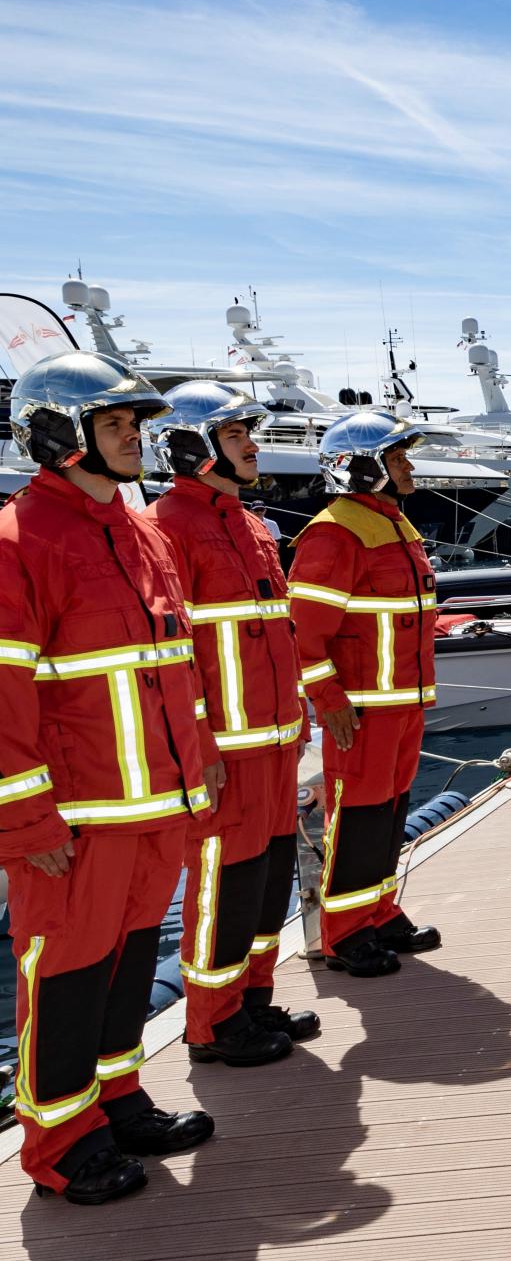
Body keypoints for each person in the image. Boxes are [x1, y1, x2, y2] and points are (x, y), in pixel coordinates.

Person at [0, 351, 222, 1204]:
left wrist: (198, 772)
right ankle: (60, 1144)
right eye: (118, 425)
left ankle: (118, 1099)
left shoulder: (142, 531)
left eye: (137, 425)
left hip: (156, 809)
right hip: (78, 821)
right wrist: (26, 824)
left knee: (129, 962)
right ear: (61, 435)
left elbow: (180, 668)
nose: (136, 439)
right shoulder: (18, 541)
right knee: (63, 974)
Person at [144, 382, 320, 1067]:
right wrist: (198, 745)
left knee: (267, 877)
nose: (252, 445)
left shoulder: (246, 524)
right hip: (225, 750)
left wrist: (297, 713)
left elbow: (273, 633)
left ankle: (253, 998)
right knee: (222, 881)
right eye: (236, 434)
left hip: (273, 741)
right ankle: (211, 1023)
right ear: (193, 448)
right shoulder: (168, 527)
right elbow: (173, 653)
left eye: (249, 433)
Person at [289, 411, 444, 978]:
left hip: (403, 702)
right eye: (397, 457)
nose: (408, 466)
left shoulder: (394, 524)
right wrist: (328, 700)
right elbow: (305, 629)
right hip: (361, 709)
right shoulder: (334, 532)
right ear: (363, 469)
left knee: (387, 813)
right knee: (354, 818)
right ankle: (343, 933)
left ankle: (378, 910)